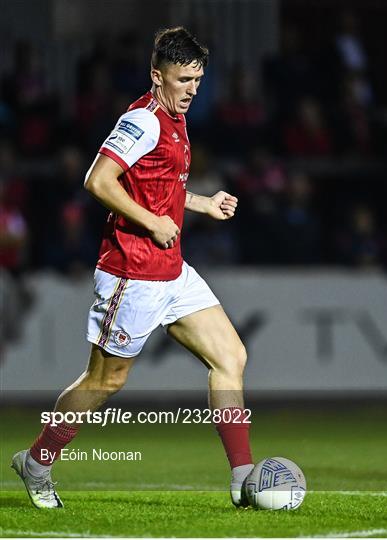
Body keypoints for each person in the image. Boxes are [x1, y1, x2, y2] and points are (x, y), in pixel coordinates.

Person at [12, 27, 253, 509]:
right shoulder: (143, 119)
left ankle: (243, 478)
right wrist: (150, 221)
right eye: (183, 79)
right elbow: (98, 180)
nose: (191, 90)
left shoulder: (177, 117)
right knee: (105, 381)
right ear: (156, 75)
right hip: (131, 272)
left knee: (231, 358)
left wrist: (201, 203)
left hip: (172, 269)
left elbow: (157, 184)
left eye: (198, 81)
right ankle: (37, 461)